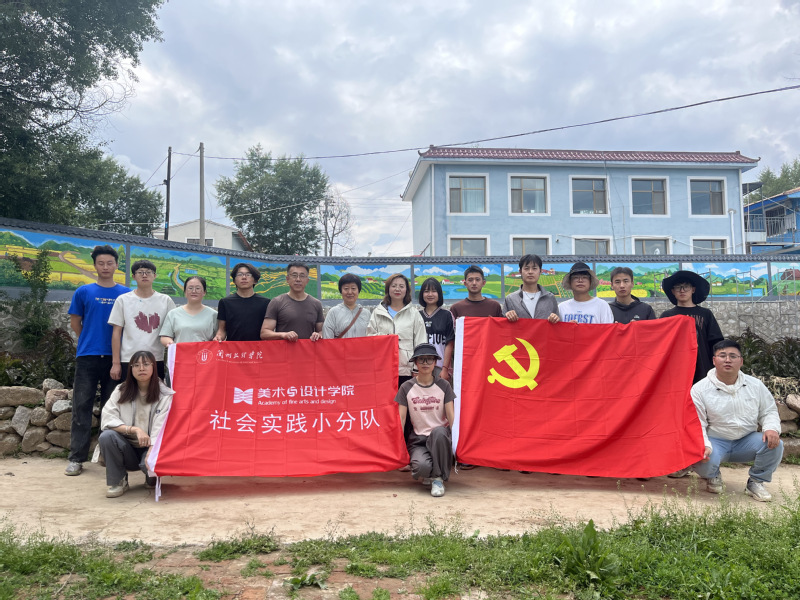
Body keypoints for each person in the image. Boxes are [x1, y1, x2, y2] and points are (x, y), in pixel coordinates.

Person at [679, 339, 783, 502]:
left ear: (741, 361)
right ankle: (712, 475)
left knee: (775, 444)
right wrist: (704, 445)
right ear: (714, 360)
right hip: (714, 441)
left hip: (746, 441)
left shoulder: (755, 385)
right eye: (722, 356)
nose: (728, 360)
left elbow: (768, 410)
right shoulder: (700, 389)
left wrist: (771, 428)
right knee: (702, 456)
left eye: (733, 356)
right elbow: (697, 422)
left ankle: (756, 481)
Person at [64, 245, 130, 477]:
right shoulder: (83, 292)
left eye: (109, 263)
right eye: (101, 263)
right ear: (95, 265)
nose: (105, 267)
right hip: (88, 357)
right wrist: (88, 341)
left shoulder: (126, 294)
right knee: (81, 406)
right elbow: (75, 322)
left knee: (111, 408)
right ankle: (76, 458)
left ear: (116, 265)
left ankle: (105, 454)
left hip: (117, 358)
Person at [98, 350, 174, 498]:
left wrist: (152, 452)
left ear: (154, 367)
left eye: (146, 364)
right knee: (107, 436)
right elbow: (108, 418)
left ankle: (151, 476)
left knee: (150, 469)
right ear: (131, 369)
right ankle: (118, 481)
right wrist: (135, 430)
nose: (141, 368)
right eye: (136, 365)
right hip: (127, 447)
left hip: (152, 446)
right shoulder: (121, 390)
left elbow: (161, 426)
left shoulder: (165, 394)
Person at [395, 343, 456, 497]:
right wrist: (399, 446)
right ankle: (429, 471)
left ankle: (438, 479)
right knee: (420, 468)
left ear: (435, 362)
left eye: (429, 359)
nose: (425, 363)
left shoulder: (444, 385)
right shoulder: (406, 387)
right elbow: (401, 418)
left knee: (439, 432)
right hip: (419, 439)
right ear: (416, 362)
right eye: (421, 359)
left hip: (441, 438)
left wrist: (456, 443)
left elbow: (451, 416)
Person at [108, 260, 175, 381]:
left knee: (154, 392)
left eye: (148, 272)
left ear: (154, 276)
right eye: (140, 272)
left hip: (155, 358)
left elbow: (174, 328)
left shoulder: (166, 300)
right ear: (133, 276)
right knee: (129, 392)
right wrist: (116, 363)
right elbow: (116, 332)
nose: (144, 275)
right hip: (129, 359)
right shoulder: (123, 300)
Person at [659, 270, 723, 384]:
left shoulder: (705, 314)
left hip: (702, 367)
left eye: (686, 287)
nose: (682, 290)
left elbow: (715, 342)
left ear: (693, 289)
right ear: (673, 291)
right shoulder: (667, 316)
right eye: (678, 287)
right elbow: (660, 344)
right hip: (676, 368)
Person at [367, 273, 427, 387]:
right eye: (394, 286)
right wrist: (386, 338)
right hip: (382, 368)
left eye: (401, 286)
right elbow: (370, 339)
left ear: (406, 290)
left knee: (405, 398)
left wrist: (417, 368)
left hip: (407, 370)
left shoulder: (414, 313)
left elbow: (421, 342)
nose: (397, 289)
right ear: (388, 289)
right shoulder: (378, 312)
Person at [261, 262, 324, 342]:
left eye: (302, 276)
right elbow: (264, 333)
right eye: (294, 275)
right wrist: (283, 335)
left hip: (308, 349)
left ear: (307, 280)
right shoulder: (277, 302)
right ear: (287, 279)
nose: (298, 279)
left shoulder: (316, 304)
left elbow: (321, 331)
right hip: (284, 349)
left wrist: (318, 335)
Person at [215, 263, 270, 342]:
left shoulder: (265, 303)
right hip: (233, 348)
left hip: (257, 348)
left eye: (248, 274)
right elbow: (222, 330)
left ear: (255, 280)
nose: (244, 277)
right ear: (234, 280)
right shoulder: (225, 302)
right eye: (240, 274)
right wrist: (218, 337)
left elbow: (268, 330)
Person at [160, 276, 217, 346]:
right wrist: (170, 343)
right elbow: (165, 336)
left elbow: (219, 337)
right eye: (190, 288)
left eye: (198, 288)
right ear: (185, 292)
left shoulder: (213, 315)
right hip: (181, 352)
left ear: (204, 292)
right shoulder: (173, 314)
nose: (194, 291)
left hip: (204, 352)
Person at [503, 254, 560, 323]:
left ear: (540, 271)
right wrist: (507, 316)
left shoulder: (550, 298)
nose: (530, 272)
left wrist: (555, 318)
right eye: (526, 268)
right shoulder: (511, 299)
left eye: (534, 268)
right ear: (520, 272)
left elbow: (558, 324)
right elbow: (503, 325)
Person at [418, 278, 456, 381]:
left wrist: (445, 369)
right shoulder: (417, 315)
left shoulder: (447, 315)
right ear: (422, 294)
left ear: (439, 294)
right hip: (421, 366)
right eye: (426, 291)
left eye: (434, 291)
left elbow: (449, 343)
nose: (430, 294)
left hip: (440, 367)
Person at [322, 273, 371, 339]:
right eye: (346, 288)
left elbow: (372, 337)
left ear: (358, 291)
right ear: (341, 291)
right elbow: (327, 339)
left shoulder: (366, 314)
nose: (350, 292)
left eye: (353, 288)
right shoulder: (333, 313)